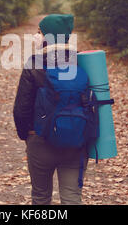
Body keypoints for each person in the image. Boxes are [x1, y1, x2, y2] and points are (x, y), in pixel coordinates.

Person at [13, 14, 88, 205]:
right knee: (72, 198)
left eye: (39, 32)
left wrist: (28, 136)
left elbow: (21, 109)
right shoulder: (81, 61)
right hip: (75, 142)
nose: (36, 36)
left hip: (40, 140)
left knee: (40, 197)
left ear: (47, 36)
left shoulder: (34, 63)